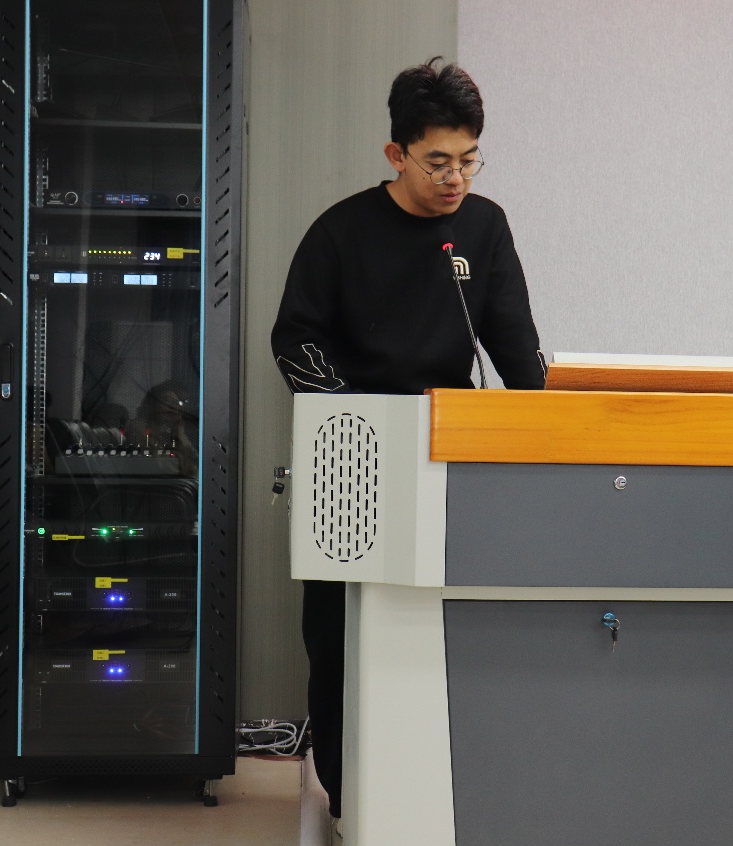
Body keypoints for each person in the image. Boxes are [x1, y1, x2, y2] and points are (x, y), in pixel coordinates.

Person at [270, 57, 546, 826]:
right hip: (353, 462)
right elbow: (294, 340)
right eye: (437, 162)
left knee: (438, 632)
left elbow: (515, 347)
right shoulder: (340, 232)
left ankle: (436, 792)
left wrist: (546, 427)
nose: (455, 178)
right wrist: (354, 419)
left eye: (469, 160)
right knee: (340, 639)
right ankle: (349, 797)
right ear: (396, 153)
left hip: (444, 459)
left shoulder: (482, 228)